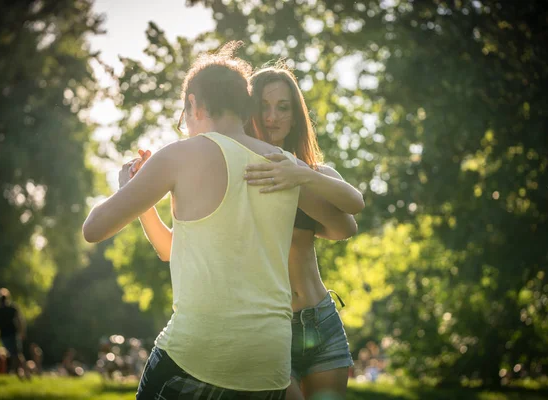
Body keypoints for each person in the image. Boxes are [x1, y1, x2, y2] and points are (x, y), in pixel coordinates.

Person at [83, 41, 335, 400]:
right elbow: (343, 224)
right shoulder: (283, 162)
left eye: (184, 115)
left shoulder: (179, 155)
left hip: (198, 354)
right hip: (270, 363)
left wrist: (132, 186)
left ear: (193, 105)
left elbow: (93, 229)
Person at [243, 65, 365, 400]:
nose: (272, 117)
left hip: (321, 319)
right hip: (269, 327)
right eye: (263, 107)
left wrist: (302, 175)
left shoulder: (314, 173)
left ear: (296, 117)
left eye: (283, 107)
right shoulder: (242, 175)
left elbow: (352, 214)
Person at [0, 288, 31, 380]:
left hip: (9, 334)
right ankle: (22, 373)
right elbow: (20, 321)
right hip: (9, 334)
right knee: (16, 354)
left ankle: (21, 373)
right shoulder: (8, 309)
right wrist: (22, 331)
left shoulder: (1, 310)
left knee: (16, 354)